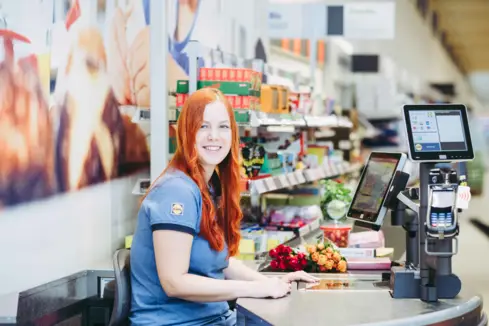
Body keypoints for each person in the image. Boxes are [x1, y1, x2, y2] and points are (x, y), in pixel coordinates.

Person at [130, 88, 318, 325]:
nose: (214, 136)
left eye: (223, 127)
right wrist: (255, 290)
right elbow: (174, 282)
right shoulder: (177, 190)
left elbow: (223, 263)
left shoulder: (208, 187)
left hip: (214, 319)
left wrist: (270, 283)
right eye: (203, 126)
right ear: (187, 132)